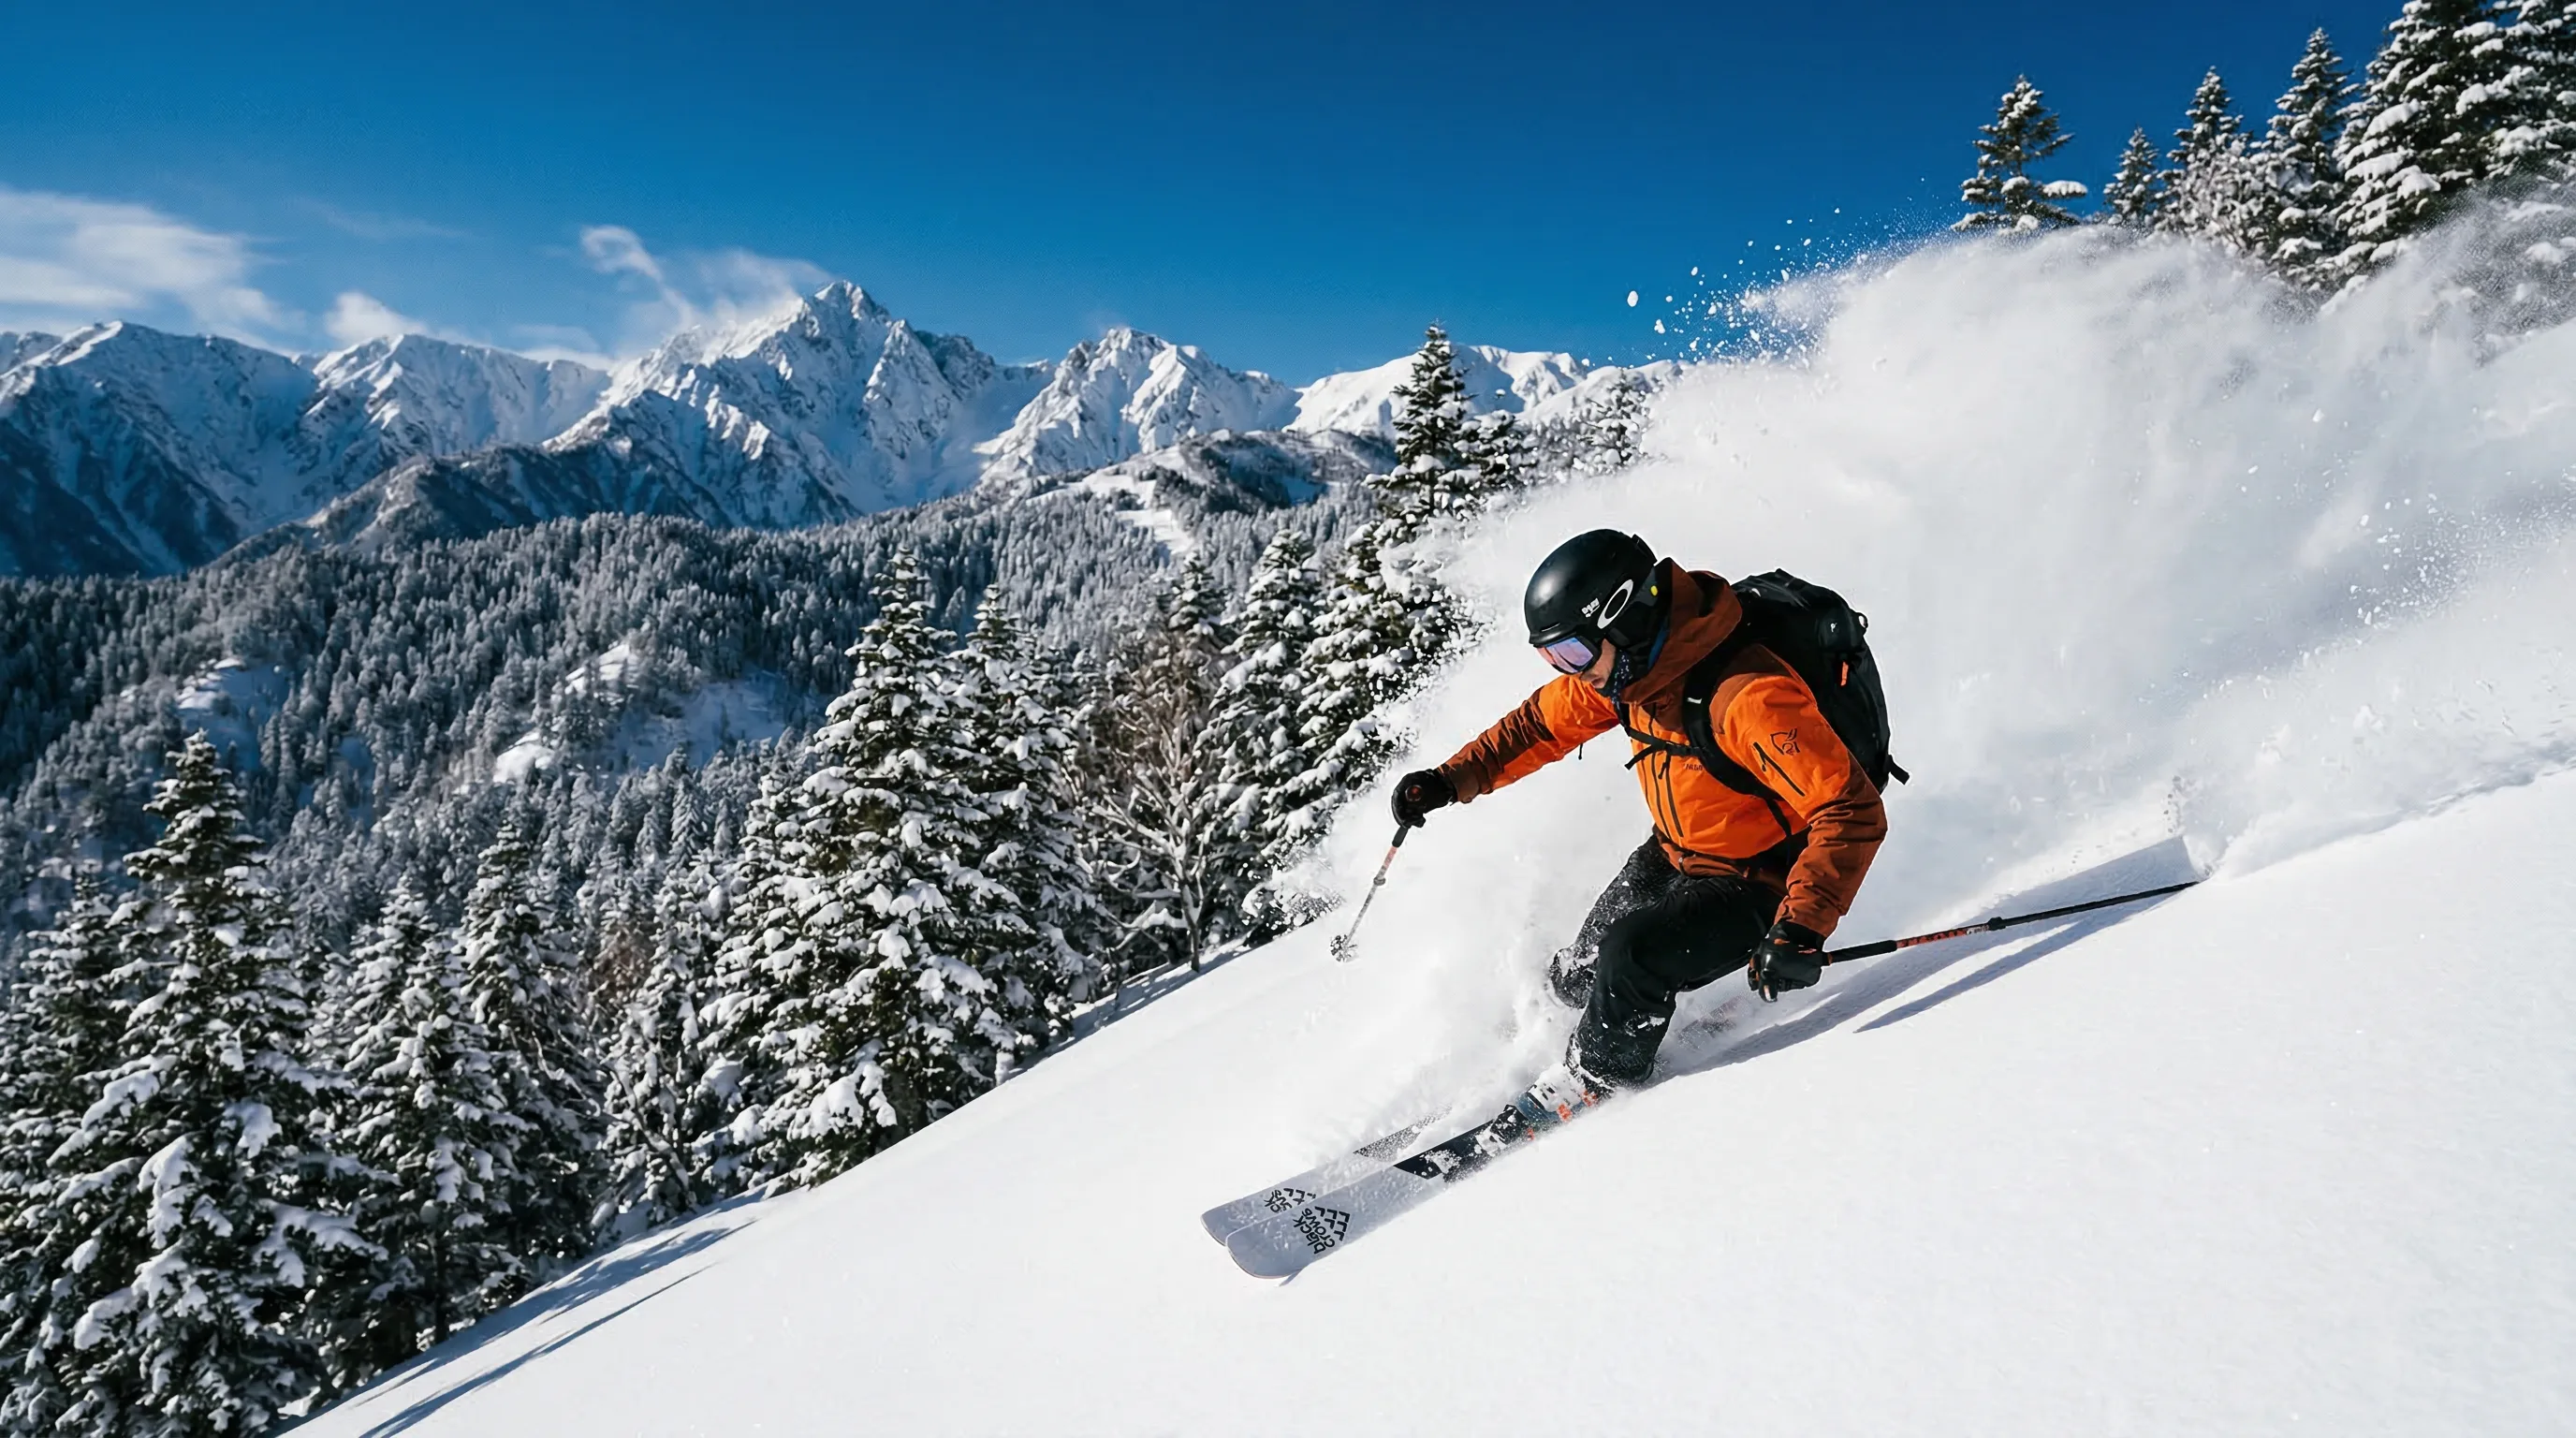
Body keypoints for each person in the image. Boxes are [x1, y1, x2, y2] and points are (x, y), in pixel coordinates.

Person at [1389, 529, 1888, 1101]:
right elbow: (1537, 726)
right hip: (1676, 851)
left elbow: (1849, 808)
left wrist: (1801, 926)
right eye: (1553, 658)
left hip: (1760, 879)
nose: (1571, 672)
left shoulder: (1748, 697)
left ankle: (1598, 1082)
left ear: (1623, 616)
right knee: (1581, 967)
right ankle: (1548, 1036)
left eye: (1573, 652)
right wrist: (1450, 779)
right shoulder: (1628, 670)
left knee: (1630, 956)